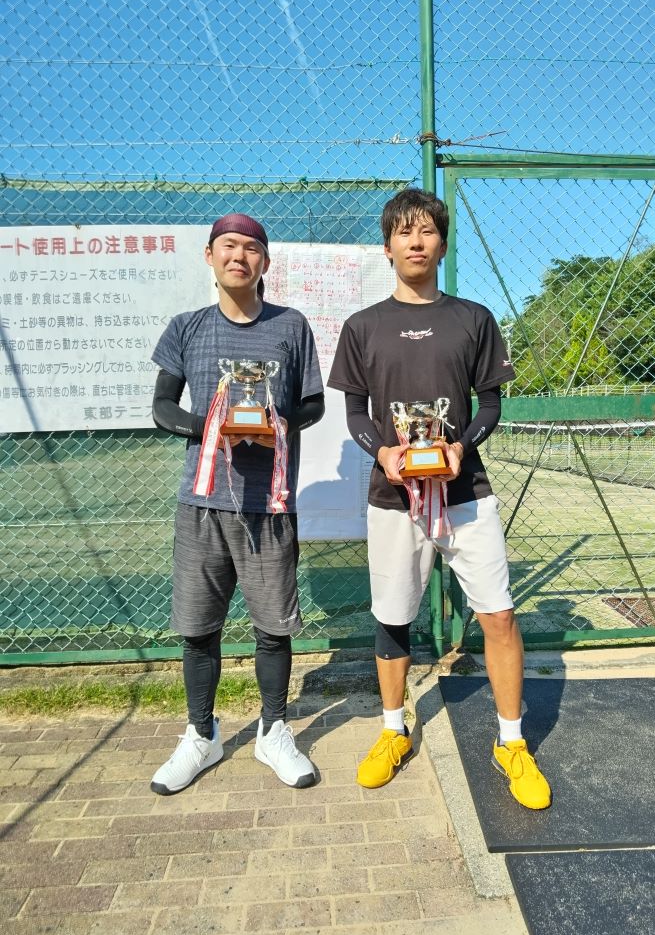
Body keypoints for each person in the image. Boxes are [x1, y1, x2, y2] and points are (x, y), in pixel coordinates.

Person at [327, 188, 551, 809]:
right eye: (404, 232)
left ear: (443, 244)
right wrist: (383, 452)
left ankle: (511, 742)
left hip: (465, 492)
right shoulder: (362, 326)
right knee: (393, 616)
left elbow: (490, 405)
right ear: (387, 246)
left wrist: (460, 446)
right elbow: (354, 413)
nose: (416, 242)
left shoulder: (473, 319)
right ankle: (393, 730)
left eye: (427, 231)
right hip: (393, 494)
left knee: (498, 614)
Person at [149, 212, 325, 795]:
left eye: (251, 249)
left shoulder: (291, 326)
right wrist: (212, 426)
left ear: (265, 262)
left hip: (269, 502)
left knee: (273, 626)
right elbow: (162, 407)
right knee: (199, 628)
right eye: (228, 246)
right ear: (210, 255)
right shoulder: (187, 328)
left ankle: (274, 730)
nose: (239, 257)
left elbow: (314, 404)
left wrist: (274, 423)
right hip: (202, 502)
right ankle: (202, 734)